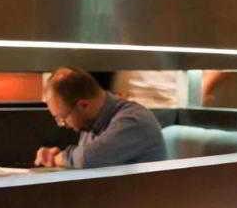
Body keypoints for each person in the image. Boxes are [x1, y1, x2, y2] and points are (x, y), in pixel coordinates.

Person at [35, 67, 166, 169]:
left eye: (63, 118)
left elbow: (88, 159)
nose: (63, 125)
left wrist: (57, 158)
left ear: (83, 105)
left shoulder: (133, 120)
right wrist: (62, 157)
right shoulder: (91, 124)